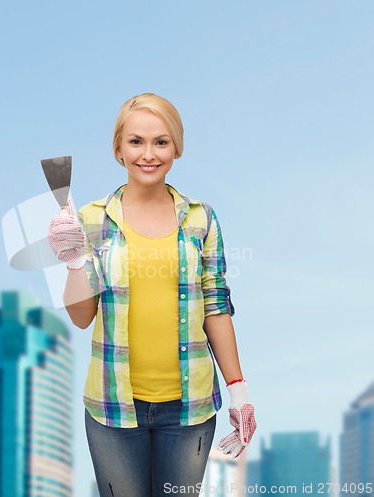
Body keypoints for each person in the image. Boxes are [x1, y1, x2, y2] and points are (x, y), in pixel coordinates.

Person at [48, 93, 257, 497]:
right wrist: (74, 262)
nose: (149, 154)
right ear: (118, 149)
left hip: (190, 409)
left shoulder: (201, 219)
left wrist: (239, 392)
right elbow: (80, 317)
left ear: (176, 147)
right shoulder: (89, 219)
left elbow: (216, 307)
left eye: (161, 142)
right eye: (136, 142)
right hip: (112, 408)